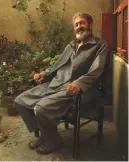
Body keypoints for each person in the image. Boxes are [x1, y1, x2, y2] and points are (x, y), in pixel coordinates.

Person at [14, 12, 109, 155]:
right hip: (55, 84)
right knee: (20, 101)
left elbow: (97, 70)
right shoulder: (71, 45)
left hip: (75, 90)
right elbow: (56, 66)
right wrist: (43, 75)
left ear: (91, 25)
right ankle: (46, 135)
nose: (79, 27)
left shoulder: (100, 45)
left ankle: (53, 141)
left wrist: (79, 83)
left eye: (82, 23)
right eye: (76, 25)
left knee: (41, 108)